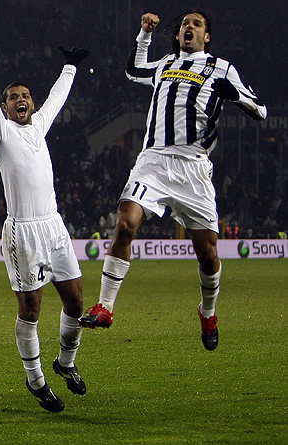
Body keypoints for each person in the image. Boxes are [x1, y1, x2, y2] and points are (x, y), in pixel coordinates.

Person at [79, 11, 267, 352]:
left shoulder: (222, 68)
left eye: (196, 23)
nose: (188, 27)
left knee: (207, 254)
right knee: (125, 223)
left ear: (206, 36)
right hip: (154, 161)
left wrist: (235, 95)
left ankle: (207, 312)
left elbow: (260, 110)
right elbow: (134, 71)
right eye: (184, 23)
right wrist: (144, 35)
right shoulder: (166, 64)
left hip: (194, 168)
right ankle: (105, 307)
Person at [0, 38, 89, 413]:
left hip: (55, 226)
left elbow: (58, 98)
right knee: (32, 310)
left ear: (31, 103)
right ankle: (36, 380)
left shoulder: (38, 125)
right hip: (24, 232)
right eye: (13, 97)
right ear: (6, 107)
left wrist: (69, 67)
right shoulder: (1, 132)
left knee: (75, 299)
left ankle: (65, 363)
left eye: (25, 95)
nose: (21, 99)